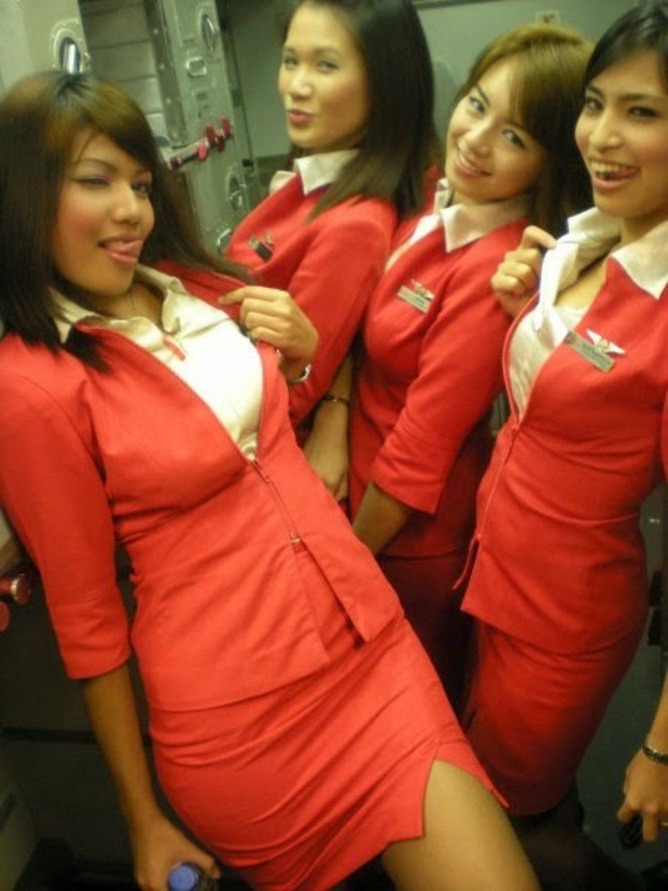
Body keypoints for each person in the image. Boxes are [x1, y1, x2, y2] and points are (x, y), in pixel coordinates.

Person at [0, 72, 539, 891]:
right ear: (25, 194)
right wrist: (143, 819)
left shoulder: (195, 285)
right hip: (244, 721)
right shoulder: (29, 383)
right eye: (96, 181)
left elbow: (285, 384)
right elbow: (88, 616)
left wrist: (318, 367)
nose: (131, 210)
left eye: (140, 184)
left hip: (373, 651)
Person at [459, 3, 668, 887]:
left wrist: (662, 746)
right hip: (493, 578)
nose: (602, 136)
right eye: (594, 103)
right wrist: (529, 314)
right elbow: (559, 408)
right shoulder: (583, 244)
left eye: (642, 112)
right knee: (520, 799)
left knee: (512, 822)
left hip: (563, 621)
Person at [343, 23, 591, 708]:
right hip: (362, 501)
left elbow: (419, 449)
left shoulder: (493, 266)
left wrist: (345, 562)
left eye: (514, 137)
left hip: (404, 541)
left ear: (548, 165)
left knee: (408, 719)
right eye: (477, 105)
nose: (476, 140)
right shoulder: (440, 201)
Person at [215, 0, 438, 442]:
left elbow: (291, 394)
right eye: (290, 61)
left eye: (326, 65)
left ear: (385, 84)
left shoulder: (355, 225)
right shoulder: (318, 177)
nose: (296, 86)